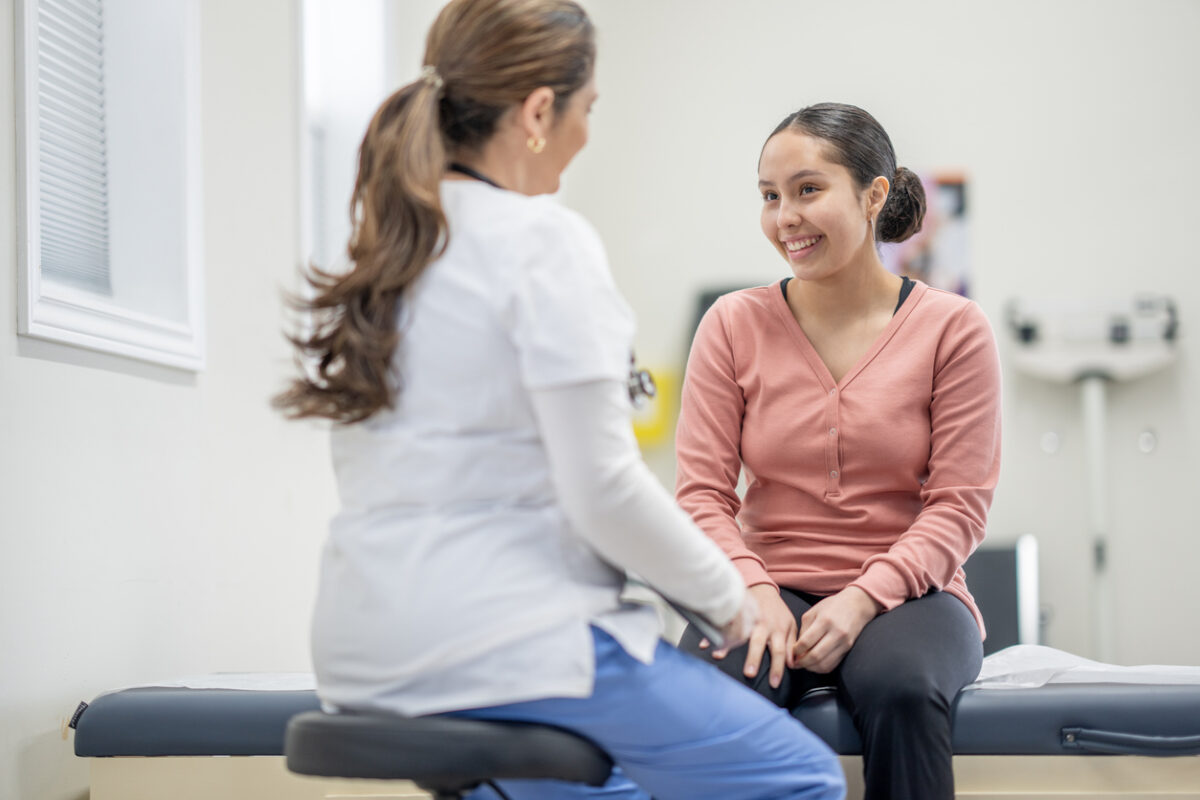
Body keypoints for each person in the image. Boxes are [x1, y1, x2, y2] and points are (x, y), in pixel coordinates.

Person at [274, 2, 844, 798]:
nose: (585, 135)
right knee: (799, 775)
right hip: (509, 644)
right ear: (539, 112)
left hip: (362, 648)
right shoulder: (543, 240)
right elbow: (603, 489)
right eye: (588, 110)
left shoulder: (388, 249)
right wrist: (733, 605)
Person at [675, 102, 1002, 800]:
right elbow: (701, 494)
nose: (785, 217)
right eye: (770, 196)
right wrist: (753, 589)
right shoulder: (732, 324)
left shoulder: (954, 328)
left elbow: (958, 507)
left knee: (903, 688)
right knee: (710, 693)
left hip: (912, 593)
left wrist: (861, 599)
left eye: (807, 189)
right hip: (766, 584)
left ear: (873, 194)